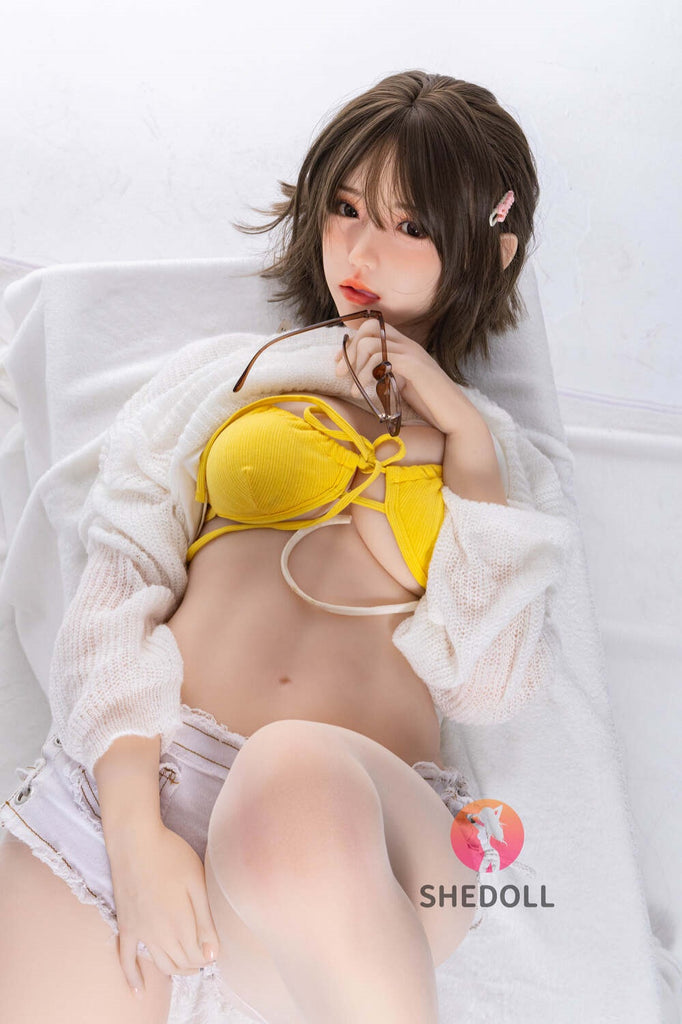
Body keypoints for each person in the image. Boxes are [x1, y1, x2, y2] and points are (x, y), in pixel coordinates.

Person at [0, 69, 571, 1024]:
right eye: (345, 208)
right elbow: (115, 598)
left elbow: (492, 684)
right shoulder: (230, 377)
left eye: (410, 224)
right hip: (135, 784)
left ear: (491, 249)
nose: (361, 249)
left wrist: (461, 434)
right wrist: (135, 835)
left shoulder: (504, 460)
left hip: (360, 827)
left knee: (291, 768)